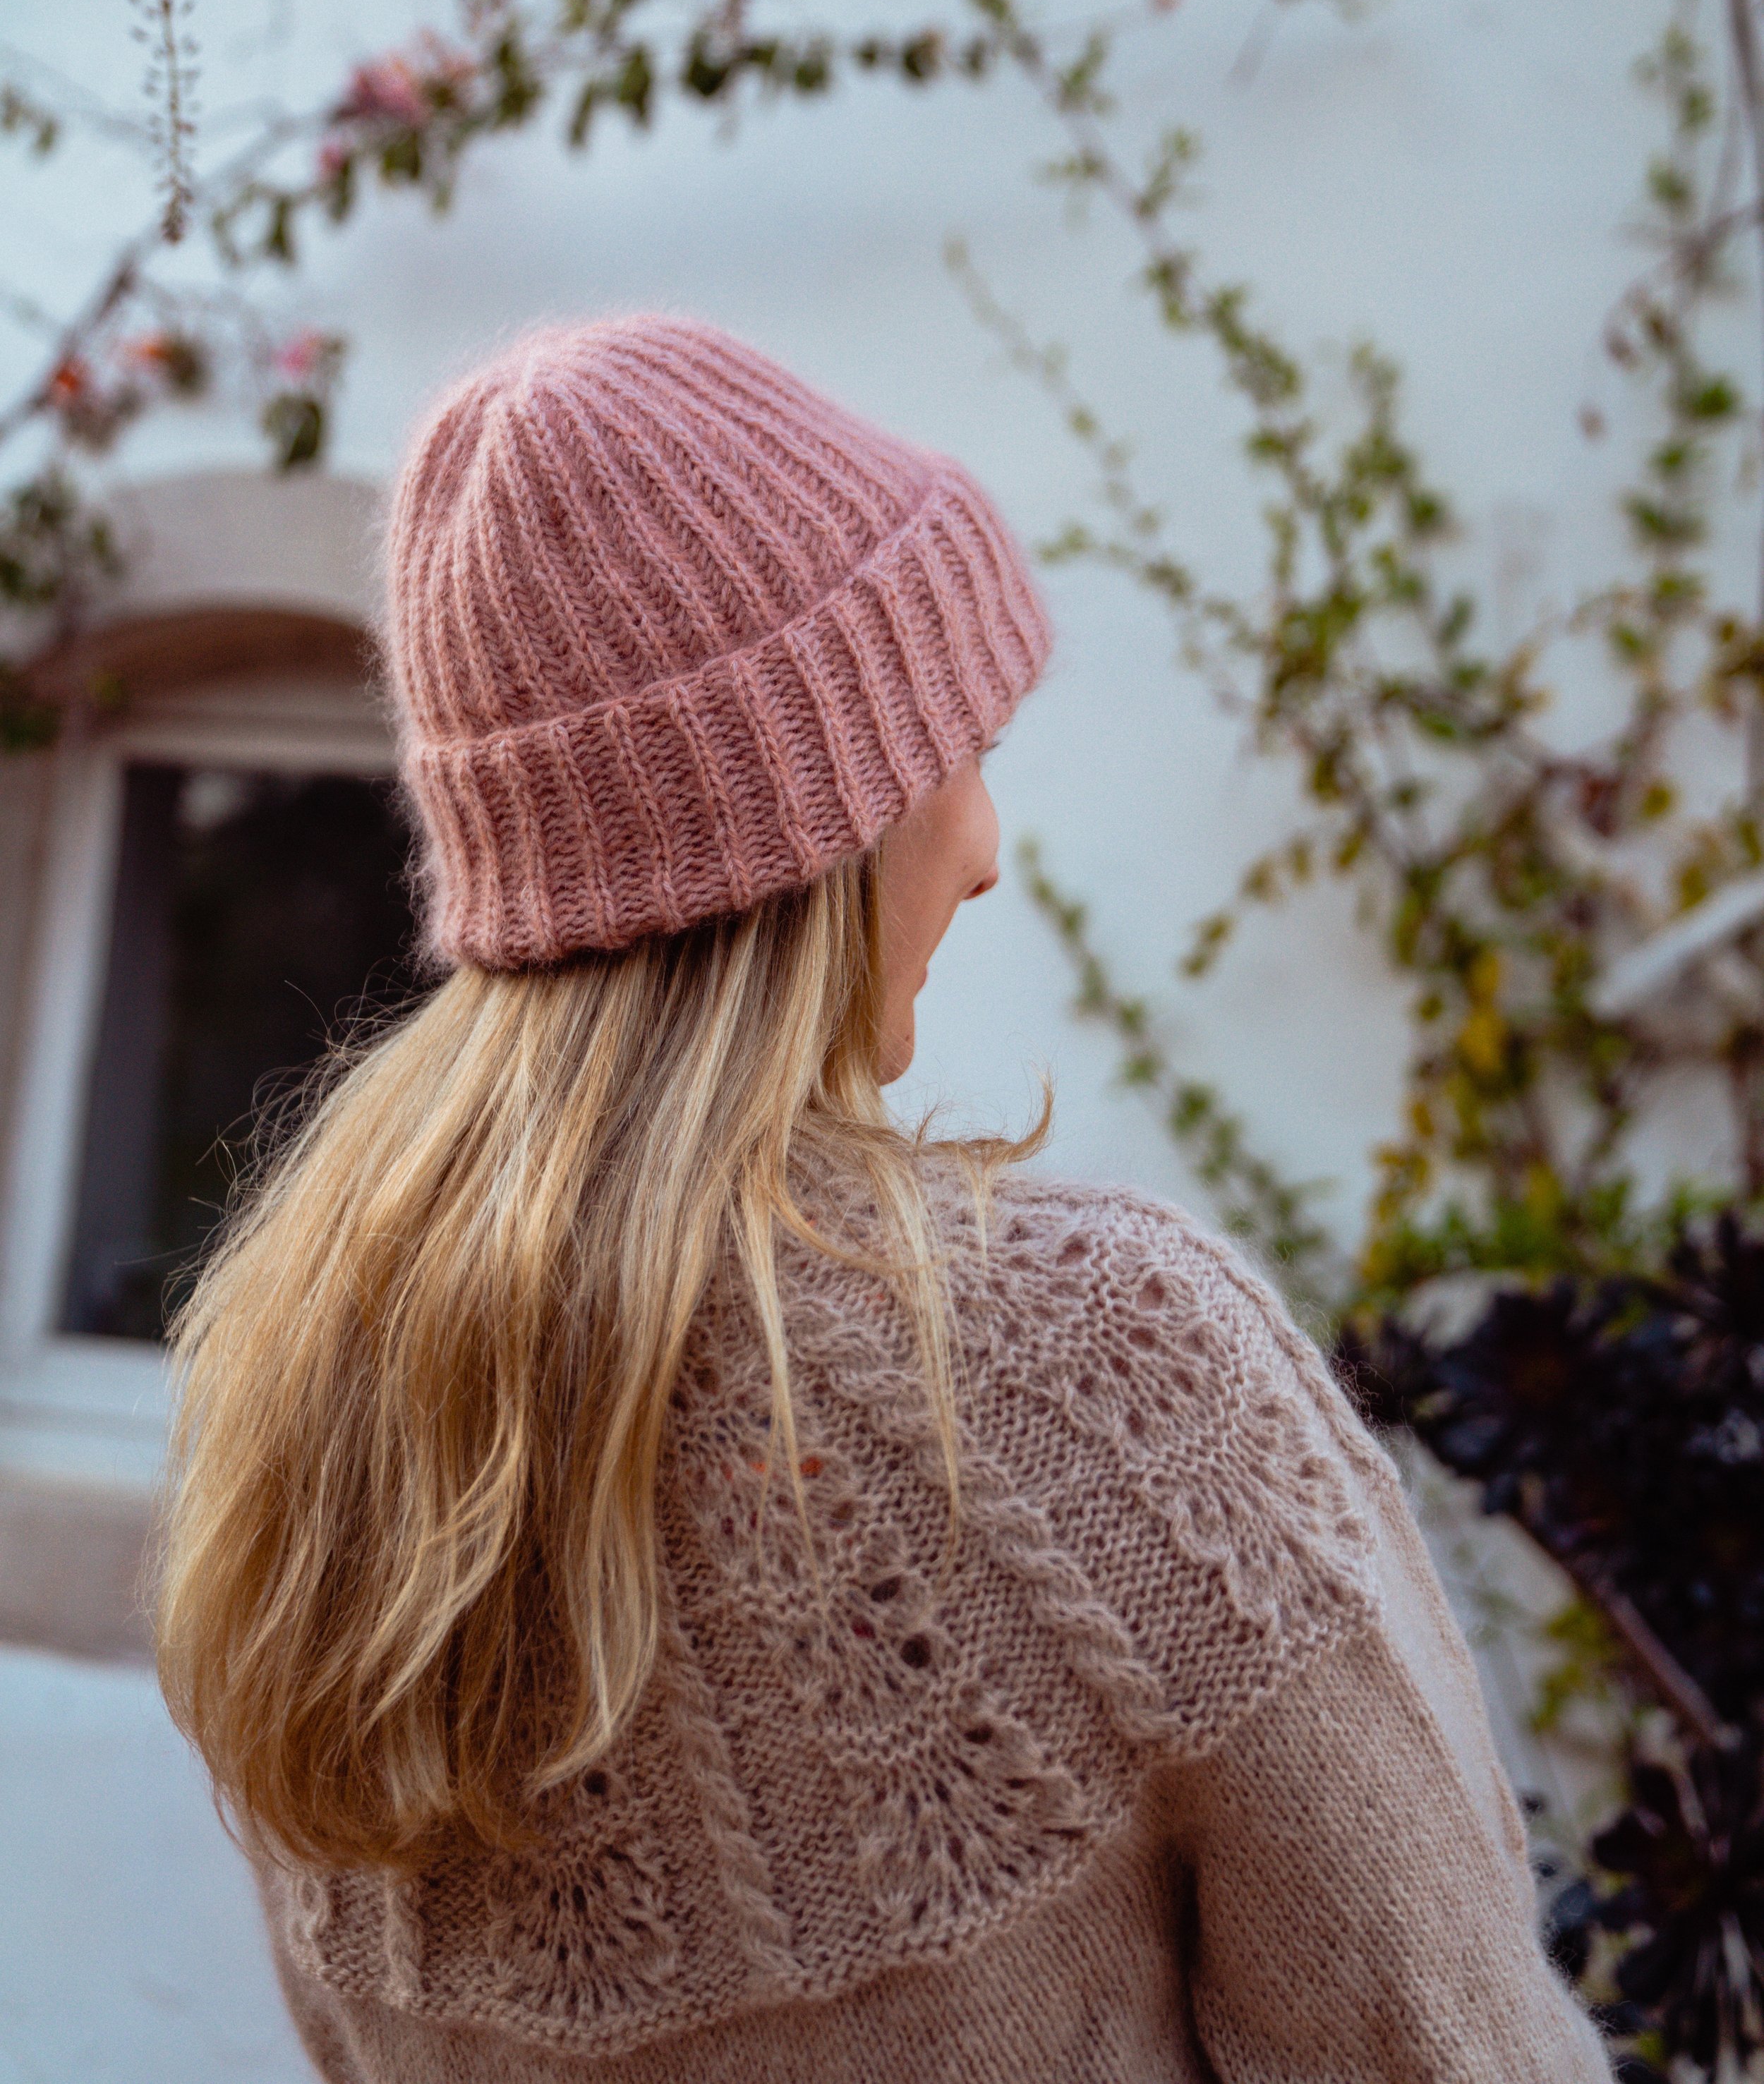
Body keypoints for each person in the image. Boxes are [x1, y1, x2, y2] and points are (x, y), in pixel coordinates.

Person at [156, 315, 1612, 2083]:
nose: (985, 845)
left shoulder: (321, 1430)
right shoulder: (1103, 1368)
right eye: (953, 753)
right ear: (809, 827)